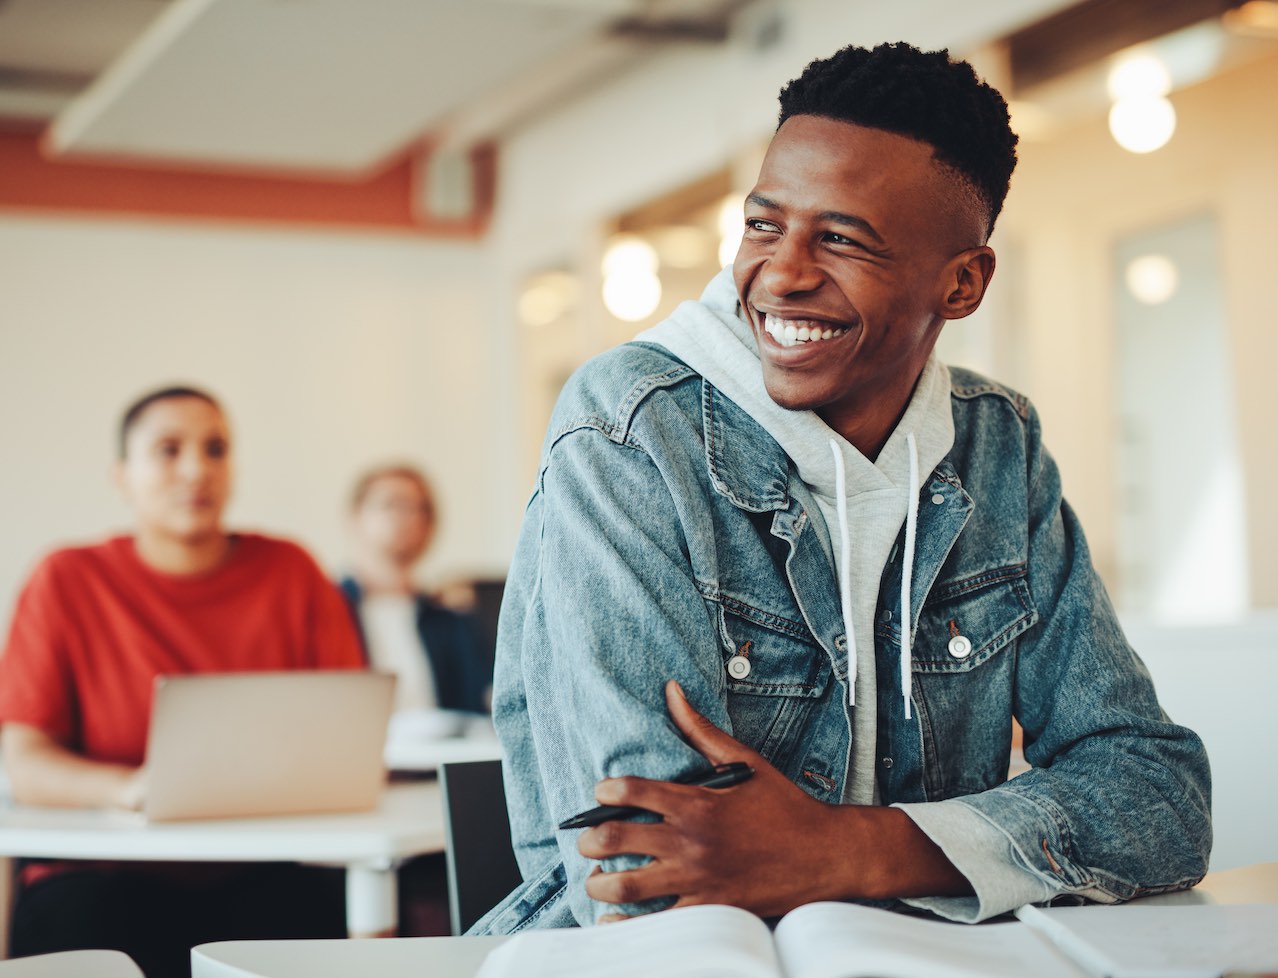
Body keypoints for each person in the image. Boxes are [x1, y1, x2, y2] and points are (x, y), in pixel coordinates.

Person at [474, 41, 1212, 933]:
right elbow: (644, 873)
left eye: (841, 238)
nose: (781, 273)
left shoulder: (995, 445)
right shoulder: (630, 426)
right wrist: (948, 849)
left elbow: (1159, 796)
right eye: (763, 224)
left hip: (922, 956)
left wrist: (846, 848)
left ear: (963, 283)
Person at [0, 385, 365, 978]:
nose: (197, 469)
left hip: (262, 867)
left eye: (216, 448)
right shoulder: (64, 580)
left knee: (314, 918)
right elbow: (26, 762)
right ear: (122, 476)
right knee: (84, 924)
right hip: (102, 875)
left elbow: (349, 730)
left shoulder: (291, 571)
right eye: (168, 450)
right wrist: (128, 788)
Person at [339, 464, 491, 717]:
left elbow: (475, 708)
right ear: (356, 517)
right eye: (392, 504)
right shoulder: (327, 610)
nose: (410, 517)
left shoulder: (450, 618)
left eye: (422, 509)